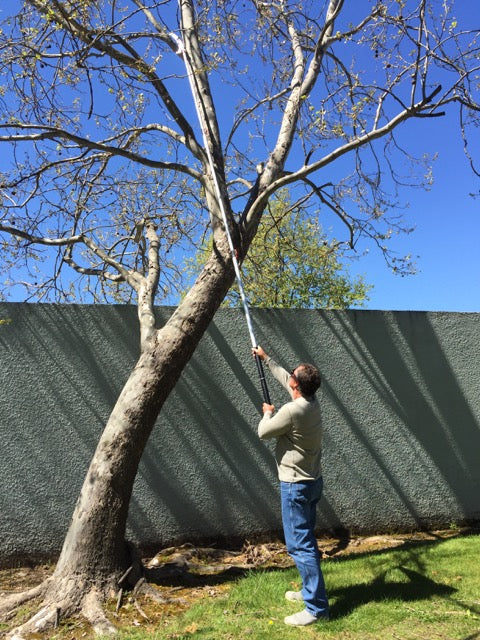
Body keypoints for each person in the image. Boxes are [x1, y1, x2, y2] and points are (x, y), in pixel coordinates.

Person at [252, 345, 329, 627]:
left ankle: (316, 608)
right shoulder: (311, 403)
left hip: (295, 487)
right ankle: (310, 592)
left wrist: (267, 413)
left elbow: (263, 433)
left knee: (300, 547)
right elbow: (287, 378)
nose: (290, 379)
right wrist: (266, 359)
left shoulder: (292, 411)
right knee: (307, 541)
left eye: (293, 377)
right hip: (312, 482)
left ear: (298, 385)